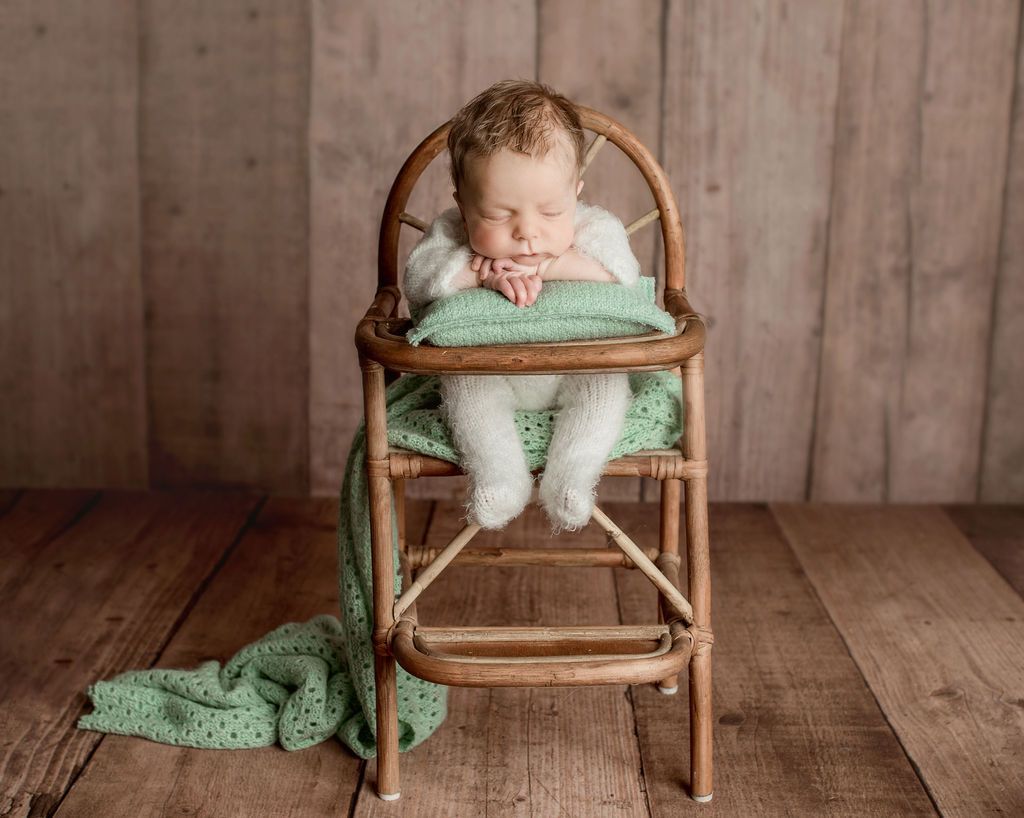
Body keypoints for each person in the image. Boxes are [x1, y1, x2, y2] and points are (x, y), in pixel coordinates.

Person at [403, 79, 641, 531]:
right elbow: (419, 279)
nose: (527, 232)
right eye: (496, 215)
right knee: (465, 390)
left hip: (577, 369)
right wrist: (480, 273)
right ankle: (500, 475)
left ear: (575, 194)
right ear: (463, 203)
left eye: (550, 213)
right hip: (492, 372)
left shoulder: (594, 227)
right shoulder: (451, 233)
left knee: (607, 387)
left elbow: (621, 273)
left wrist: (551, 266)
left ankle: (572, 474)